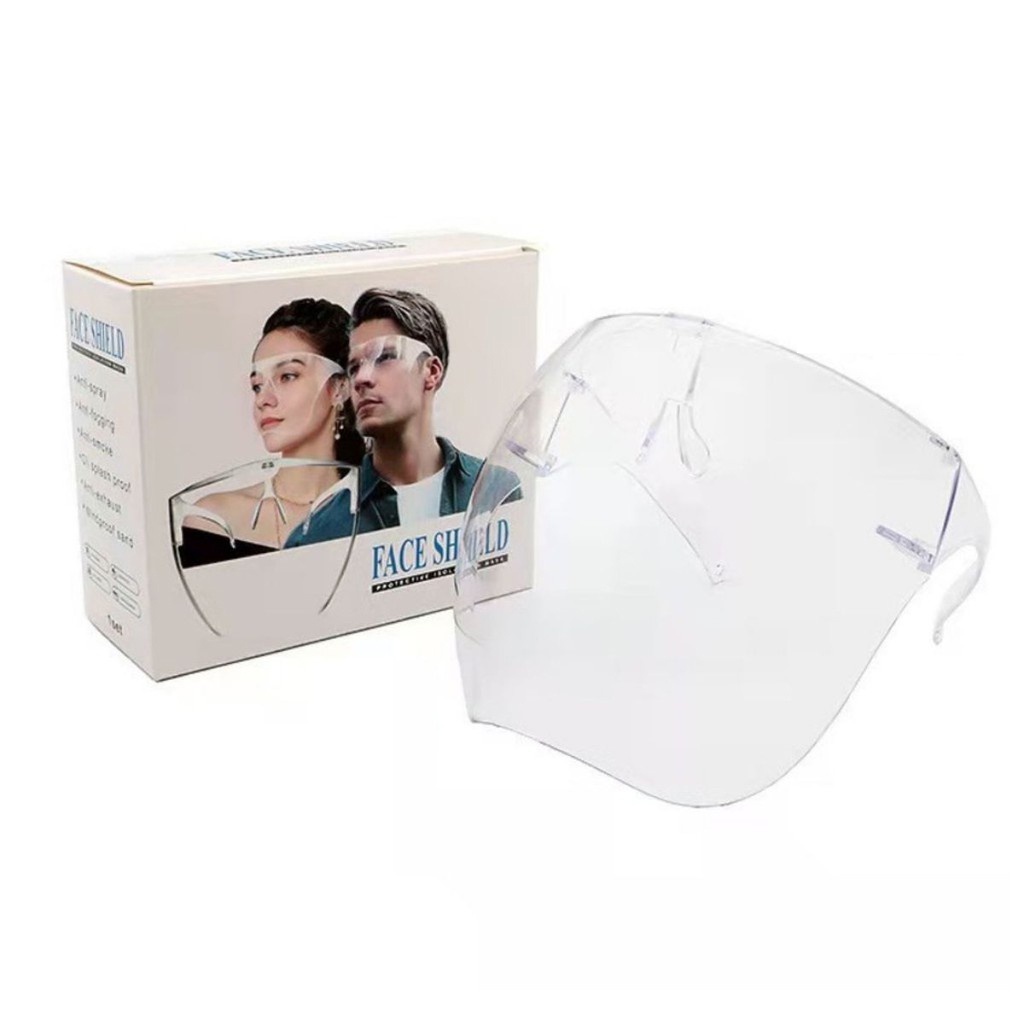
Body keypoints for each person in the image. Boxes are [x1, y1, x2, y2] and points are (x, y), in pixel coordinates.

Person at [285, 287, 518, 545]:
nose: (361, 378)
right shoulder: (318, 532)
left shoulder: (496, 491)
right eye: (354, 367)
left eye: (385, 357)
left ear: (432, 371)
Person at [177, 298, 365, 567]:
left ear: (339, 388)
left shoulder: (373, 513)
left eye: (287, 376)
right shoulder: (214, 519)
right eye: (257, 385)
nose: (263, 399)